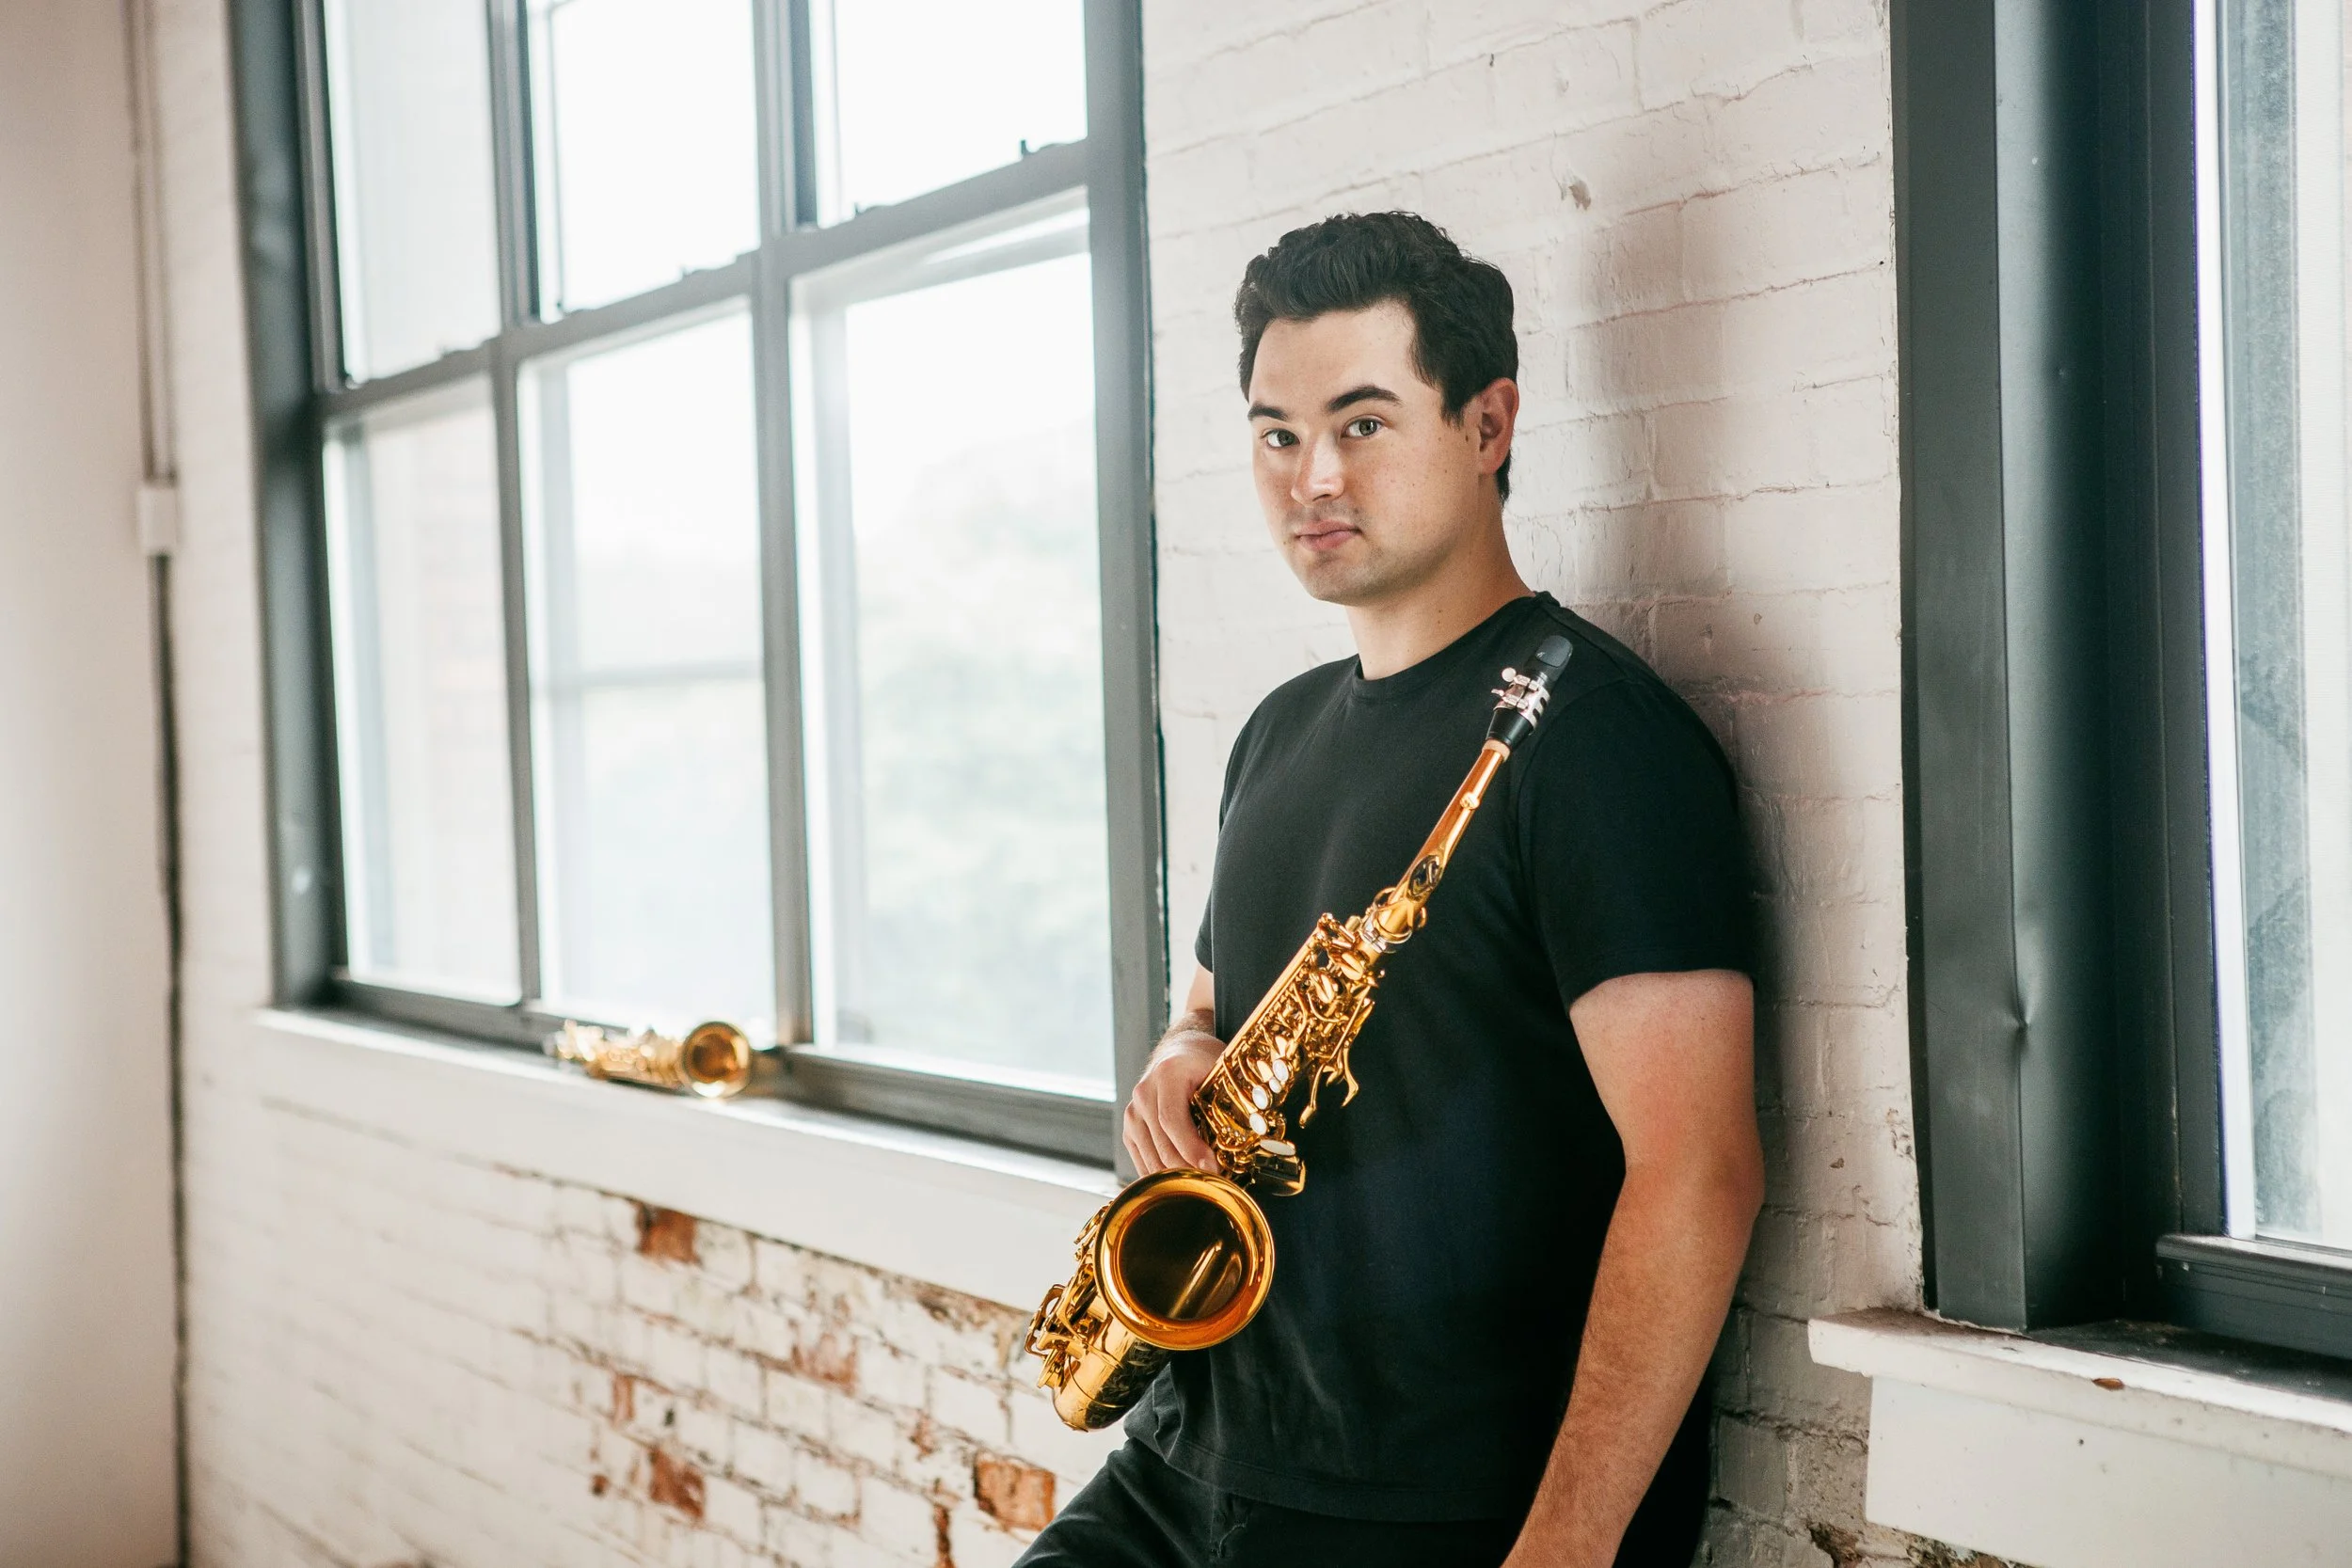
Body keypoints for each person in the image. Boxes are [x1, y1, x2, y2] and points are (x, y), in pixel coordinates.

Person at [1018, 213, 1763, 1568]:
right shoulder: (1278, 728)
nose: (1310, 477)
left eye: (1362, 424)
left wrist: (1567, 1546)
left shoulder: (1593, 739)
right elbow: (1209, 1002)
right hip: (1188, 1463)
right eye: (1275, 433)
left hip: (1428, 1520)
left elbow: (1699, 1170)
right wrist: (1182, 1056)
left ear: (1488, 425)